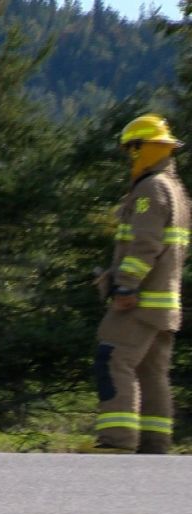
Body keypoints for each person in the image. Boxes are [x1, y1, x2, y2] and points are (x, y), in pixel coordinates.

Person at [82, 113, 189, 454]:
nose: (130, 155)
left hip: (140, 302)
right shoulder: (177, 191)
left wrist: (126, 284)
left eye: (133, 148)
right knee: (151, 371)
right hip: (166, 304)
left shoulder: (149, 189)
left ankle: (117, 441)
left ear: (148, 148)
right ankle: (155, 443)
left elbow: (146, 245)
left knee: (112, 358)